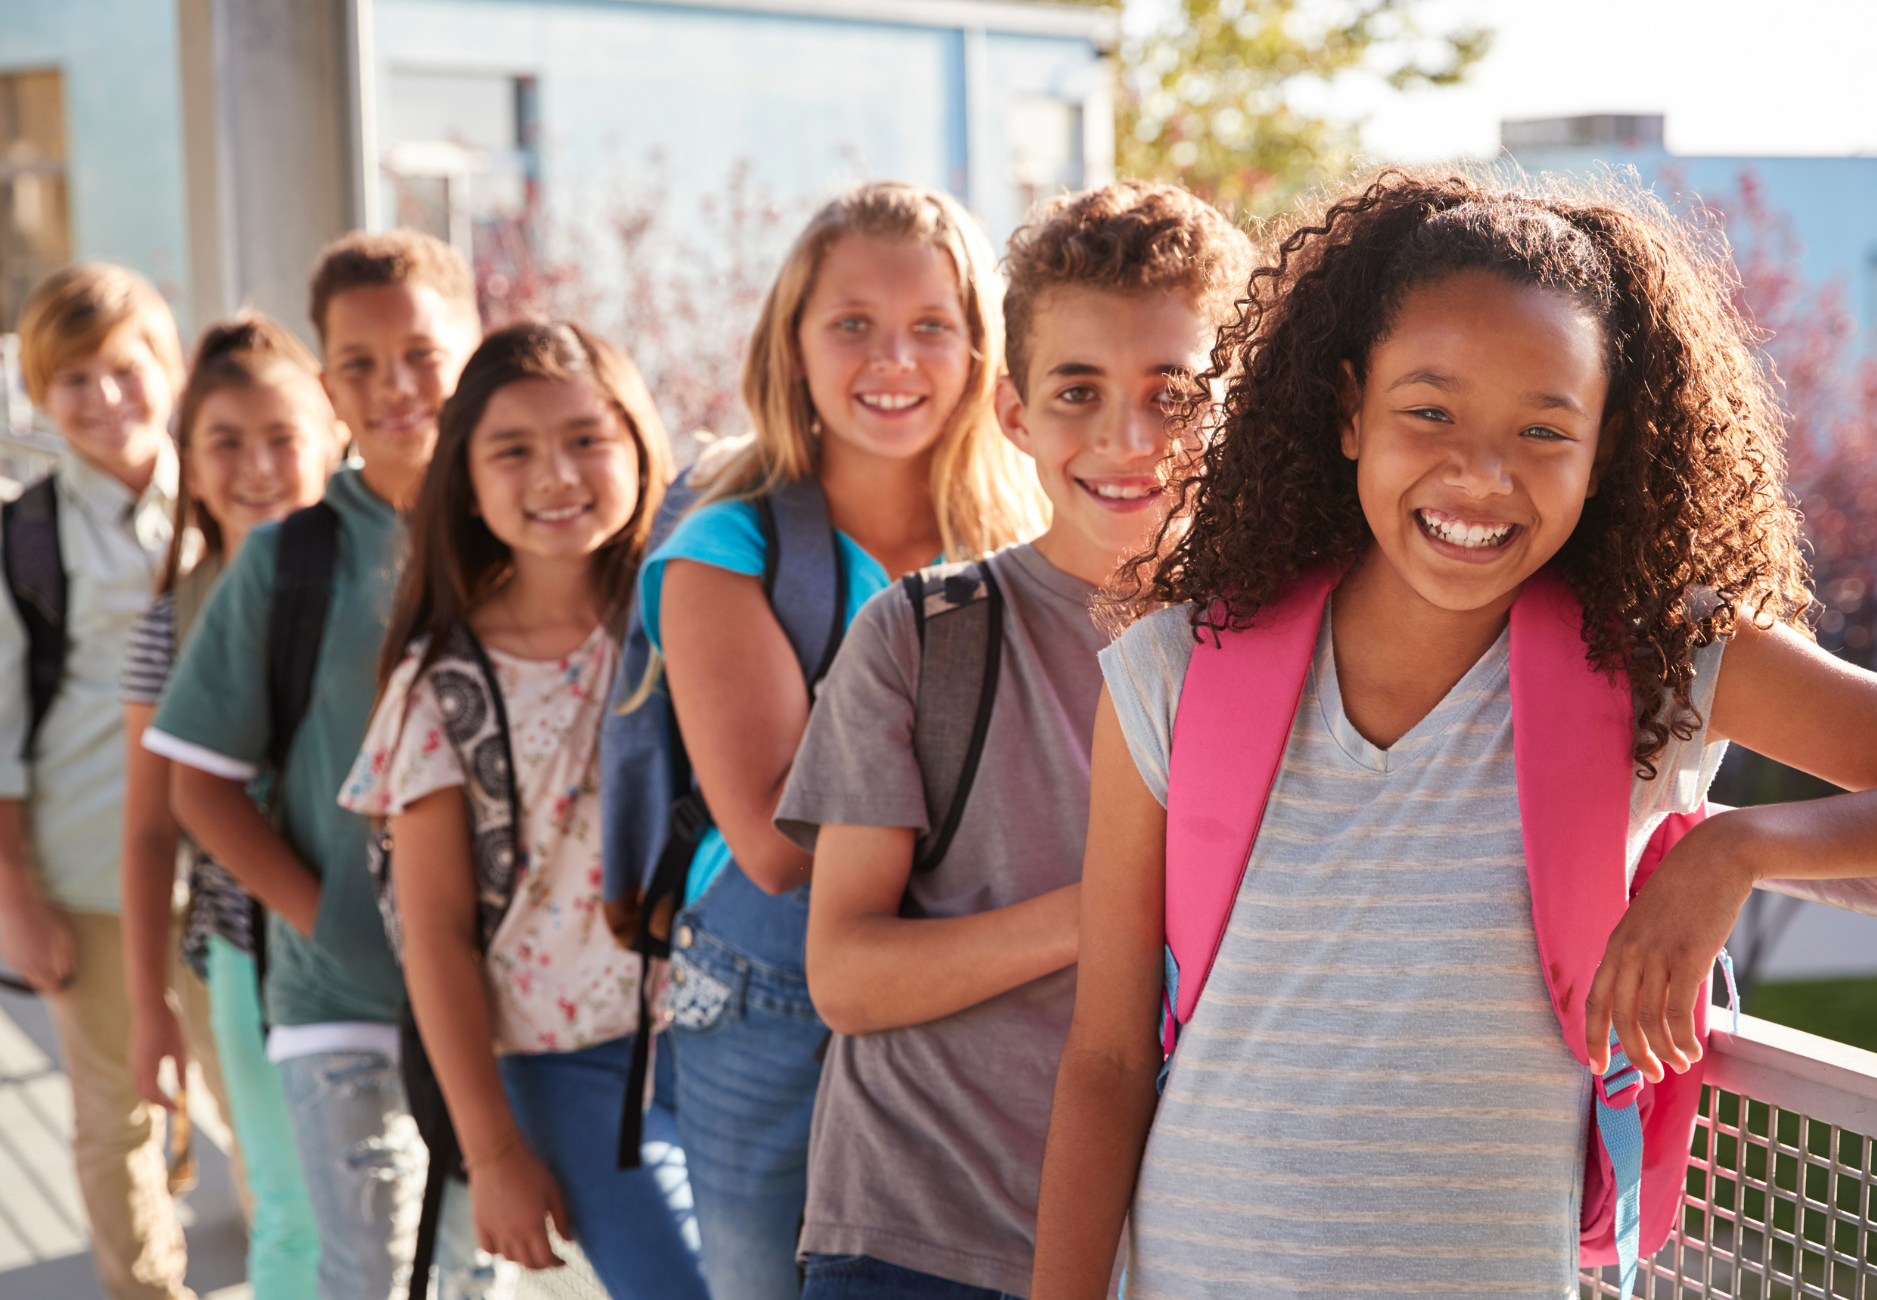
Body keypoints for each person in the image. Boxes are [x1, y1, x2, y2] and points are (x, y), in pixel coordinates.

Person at [1030, 168, 1877, 1297]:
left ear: (1608, 446)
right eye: (1429, 411)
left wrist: (1736, 850)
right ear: (1348, 409)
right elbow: (1107, 1058)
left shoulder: (1662, 657)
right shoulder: (1174, 669)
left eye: (1543, 427)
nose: (1480, 473)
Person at [777, 181, 1247, 1299]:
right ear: (1014, 411)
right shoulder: (921, 636)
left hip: (1183, 1245)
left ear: (1236, 405)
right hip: (914, 1237)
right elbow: (843, 974)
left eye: (1171, 393)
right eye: (1077, 391)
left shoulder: (1280, 651)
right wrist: (1105, 915)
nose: (1125, 438)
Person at [635, 180, 1043, 1300]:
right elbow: (773, 841)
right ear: (795, 346)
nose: (892, 358)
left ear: (979, 351)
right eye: (851, 324)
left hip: (978, 986)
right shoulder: (732, 548)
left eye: (930, 327)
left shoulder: (1031, 544)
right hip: (772, 1000)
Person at [143, 230, 504, 1298]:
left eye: (423, 353)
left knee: (476, 1270)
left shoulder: (529, 518)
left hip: (506, 987)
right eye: (357, 363)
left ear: (474, 343)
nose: (394, 386)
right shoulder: (289, 554)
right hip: (341, 988)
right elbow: (195, 782)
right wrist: (326, 914)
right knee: (365, 1269)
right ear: (328, 379)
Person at [340, 321, 709, 1297]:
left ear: (639, 444)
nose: (557, 473)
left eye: (588, 438)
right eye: (513, 449)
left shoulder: (696, 612)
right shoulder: (441, 684)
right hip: (566, 1064)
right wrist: (492, 1149)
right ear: (464, 477)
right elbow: (435, 933)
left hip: (734, 1032)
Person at [0, 264, 204, 1300]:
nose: (106, 399)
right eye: (74, 380)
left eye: (126, 368)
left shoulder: (236, 486)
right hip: (88, 867)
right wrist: (14, 889)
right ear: (38, 396)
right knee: (115, 1109)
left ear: (171, 367)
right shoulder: (26, 537)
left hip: (235, 864)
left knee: (250, 1089)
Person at [120, 313, 346, 1299]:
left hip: (412, 943)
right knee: (292, 1212)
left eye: (282, 438)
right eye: (226, 442)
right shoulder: (172, 616)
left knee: (438, 1198)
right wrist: (147, 1007)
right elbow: (147, 827)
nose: (257, 466)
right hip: (249, 955)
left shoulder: (402, 575)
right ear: (190, 465)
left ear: (333, 439)